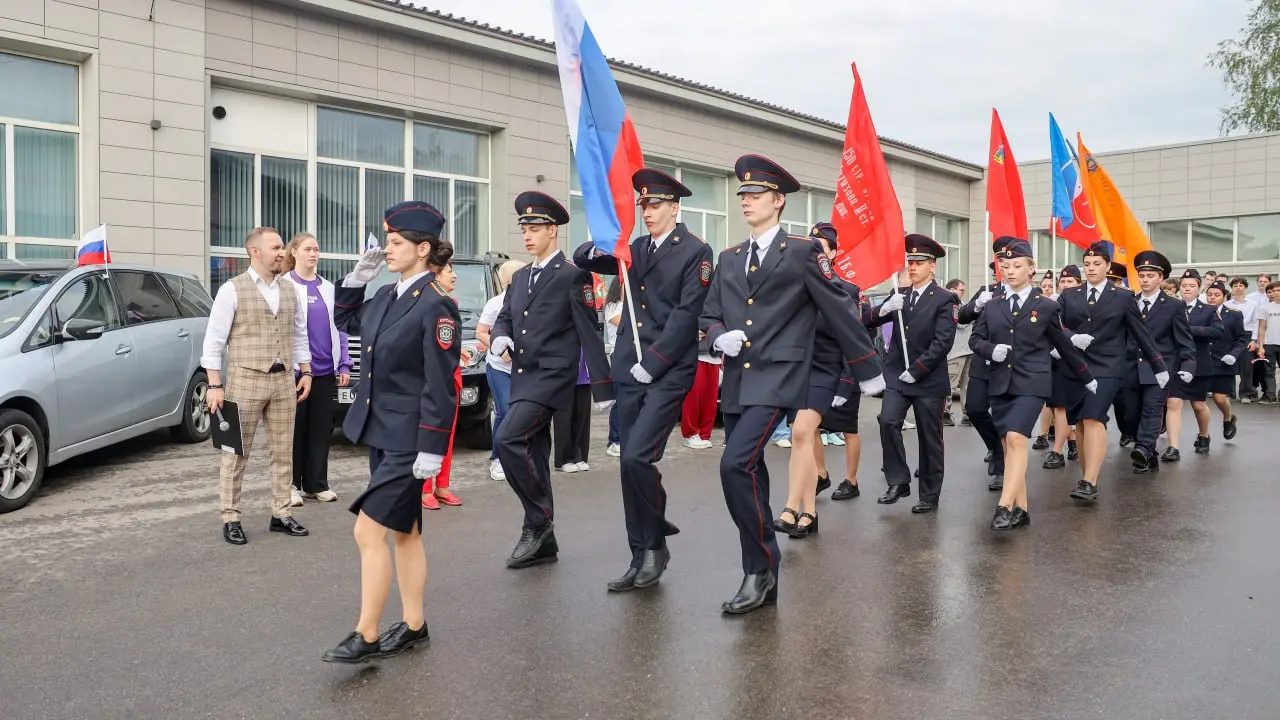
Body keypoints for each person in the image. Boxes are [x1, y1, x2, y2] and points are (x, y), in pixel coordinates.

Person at [700, 154, 884, 614]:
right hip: (739, 378)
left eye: (756, 195)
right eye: (743, 195)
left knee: (733, 465)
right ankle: (763, 575)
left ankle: (760, 567)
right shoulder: (729, 257)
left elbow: (840, 309)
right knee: (750, 471)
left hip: (781, 377)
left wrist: (867, 369)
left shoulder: (802, 252)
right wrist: (718, 335)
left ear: (778, 201)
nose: (747, 202)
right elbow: (709, 314)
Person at [322, 201, 459, 664]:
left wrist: (433, 447)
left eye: (396, 243)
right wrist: (357, 279)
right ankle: (416, 626)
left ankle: (367, 633)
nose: (388, 250)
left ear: (424, 249)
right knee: (405, 533)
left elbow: (441, 386)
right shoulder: (385, 296)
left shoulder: (436, 308)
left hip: (410, 441)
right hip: (382, 432)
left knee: (367, 531)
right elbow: (345, 320)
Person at [575, 167, 714, 592]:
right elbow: (587, 258)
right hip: (630, 370)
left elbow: (686, 314)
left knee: (637, 457)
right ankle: (640, 553)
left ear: (674, 208)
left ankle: (655, 545)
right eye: (643, 205)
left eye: (654, 205)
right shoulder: (632, 248)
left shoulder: (696, 251)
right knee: (626, 465)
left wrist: (653, 362)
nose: (647, 211)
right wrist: (602, 232)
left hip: (667, 370)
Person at [490, 192, 613, 569]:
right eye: (524, 229)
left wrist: (602, 386)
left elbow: (589, 329)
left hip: (554, 377)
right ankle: (543, 538)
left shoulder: (574, 275)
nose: (528, 235)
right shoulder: (522, 275)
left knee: (508, 438)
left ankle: (539, 522)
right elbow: (507, 316)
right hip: (523, 374)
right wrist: (500, 335)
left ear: (553, 231)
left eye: (536, 228)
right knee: (535, 453)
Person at [971, 239, 1095, 529]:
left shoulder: (1046, 306)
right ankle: (1022, 509)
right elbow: (976, 339)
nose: (1010, 271)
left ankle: (1004, 506)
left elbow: (1062, 344)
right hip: (1001, 383)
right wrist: (991, 351)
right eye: (1005, 267)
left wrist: (1086, 376)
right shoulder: (993, 306)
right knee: (1007, 445)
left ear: (1031, 269)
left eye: (1017, 266)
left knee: (1016, 438)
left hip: (1033, 381)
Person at [202, 226, 312, 546]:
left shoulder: (290, 289)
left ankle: (280, 513)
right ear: (255, 252)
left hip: (283, 381)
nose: (283, 252)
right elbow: (214, 342)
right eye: (277, 247)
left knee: (283, 452)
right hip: (245, 379)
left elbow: (299, 335)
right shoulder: (231, 290)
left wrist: (305, 372)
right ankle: (231, 517)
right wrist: (214, 386)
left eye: (283, 247)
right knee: (235, 452)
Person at [775, 223, 877, 539]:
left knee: (804, 431)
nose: (816, 249)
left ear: (832, 254)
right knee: (802, 437)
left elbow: (852, 337)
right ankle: (809, 512)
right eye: (812, 244)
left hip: (825, 370)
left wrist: (849, 383)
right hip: (796, 372)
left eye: (823, 246)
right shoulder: (792, 288)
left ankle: (792, 504)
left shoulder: (845, 290)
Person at [1057, 241, 1167, 502]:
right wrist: (1071, 337)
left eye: (1097, 264)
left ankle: (1089, 480)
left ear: (1108, 266)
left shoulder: (1123, 297)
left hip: (1108, 366)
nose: (1091, 268)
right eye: (1087, 264)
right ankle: (1087, 475)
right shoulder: (1070, 295)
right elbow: (1055, 323)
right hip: (1075, 365)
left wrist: (1159, 365)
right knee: (1081, 421)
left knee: (1094, 417)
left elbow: (1141, 333)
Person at [869, 234, 959, 512]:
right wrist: (882, 309)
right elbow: (866, 320)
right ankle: (898, 480)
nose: (912, 267)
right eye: (910, 262)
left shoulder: (946, 299)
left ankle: (929, 494)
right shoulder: (899, 295)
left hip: (928, 378)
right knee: (887, 420)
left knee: (929, 437)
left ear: (932, 266)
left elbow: (943, 341)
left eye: (919, 262)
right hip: (898, 374)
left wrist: (918, 370)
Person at [283, 232, 352, 506]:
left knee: (321, 429)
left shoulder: (328, 288)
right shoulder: (285, 285)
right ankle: (290, 484)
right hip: (296, 372)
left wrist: (344, 362)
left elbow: (341, 328)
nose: (313, 254)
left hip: (324, 371)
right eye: (308, 249)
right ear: (294, 253)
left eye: (316, 249)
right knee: (293, 430)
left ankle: (316, 484)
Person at [1115, 251, 1194, 474]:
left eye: (1150, 275)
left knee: (1152, 409)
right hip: (1130, 368)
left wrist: (1188, 365)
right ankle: (1149, 452)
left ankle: (1143, 449)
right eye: (1142, 275)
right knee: (1129, 414)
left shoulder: (1174, 306)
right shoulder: (1128, 302)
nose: (1145, 279)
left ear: (1161, 279)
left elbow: (1184, 340)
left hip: (1160, 368)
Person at [959, 253, 1012, 489]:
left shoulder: (1027, 294)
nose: (1005, 268)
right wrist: (978, 304)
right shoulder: (987, 290)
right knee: (974, 408)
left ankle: (1001, 467)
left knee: (1003, 415)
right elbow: (962, 317)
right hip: (984, 360)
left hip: (1010, 364)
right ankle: (995, 445)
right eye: (1002, 265)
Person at [1165, 269, 1223, 458]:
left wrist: (1190, 330)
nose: (1187, 289)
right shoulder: (1171, 306)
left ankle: (1204, 434)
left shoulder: (1209, 310)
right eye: (1184, 285)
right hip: (1176, 362)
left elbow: (1217, 331)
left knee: (1198, 405)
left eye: (1192, 286)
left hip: (1199, 362)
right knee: (1174, 402)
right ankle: (1173, 447)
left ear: (1199, 289)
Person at [476, 259, 525, 481]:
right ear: (507, 280)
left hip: (525, 369)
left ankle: (519, 457)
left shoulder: (531, 302)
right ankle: (497, 459)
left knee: (522, 413)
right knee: (504, 411)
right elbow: (481, 332)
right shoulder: (495, 304)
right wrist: (499, 348)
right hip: (499, 367)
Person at [421, 262, 464, 510]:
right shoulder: (426, 304)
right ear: (435, 274)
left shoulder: (453, 304)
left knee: (447, 435)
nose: (454, 275)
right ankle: (424, 487)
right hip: (429, 379)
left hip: (451, 377)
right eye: (450, 271)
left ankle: (442, 485)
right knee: (430, 433)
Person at [1043, 266, 1083, 469]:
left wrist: (1069, 343)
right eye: (1063, 282)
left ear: (1079, 284)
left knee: (1077, 409)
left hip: (1080, 360)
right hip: (1059, 361)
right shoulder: (1053, 303)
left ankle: (1073, 442)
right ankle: (1058, 450)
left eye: (1071, 282)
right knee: (1060, 407)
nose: (1066, 285)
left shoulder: (1085, 302)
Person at [1205, 280, 1247, 441]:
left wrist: (1233, 354)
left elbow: (1241, 338)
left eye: (1216, 295)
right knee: (1199, 402)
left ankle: (1228, 418)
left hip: (1223, 361)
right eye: (1209, 295)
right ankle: (1203, 435)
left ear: (1224, 296)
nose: (1212, 298)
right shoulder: (1201, 312)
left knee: (1219, 398)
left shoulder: (1234, 314)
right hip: (1204, 361)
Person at [552, 352, 593, 472]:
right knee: (563, 417)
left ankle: (580, 455)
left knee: (582, 416)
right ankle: (564, 458)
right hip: (563, 369)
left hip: (585, 370)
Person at [1225, 276, 1261, 402]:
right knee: (1228, 364)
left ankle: (1246, 393)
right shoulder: (1226, 305)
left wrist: (1254, 340)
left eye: (1241, 285)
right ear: (1231, 289)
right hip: (1230, 335)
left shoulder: (1253, 304)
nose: (1238, 288)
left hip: (1247, 335)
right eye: (1235, 286)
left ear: (1245, 287)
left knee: (1246, 366)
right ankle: (1229, 393)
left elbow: (1256, 323)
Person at [944, 278, 972, 427]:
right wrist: (971, 315)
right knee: (950, 384)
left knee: (966, 385)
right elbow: (961, 322)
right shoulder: (948, 305)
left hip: (967, 350)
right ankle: (945, 412)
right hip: (955, 351)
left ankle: (967, 413)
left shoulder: (963, 305)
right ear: (952, 289)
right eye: (961, 290)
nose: (963, 293)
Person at [603, 278, 625, 456]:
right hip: (619, 354)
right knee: (620, 398)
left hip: (636, 354)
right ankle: (614, 440)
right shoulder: (613, 306)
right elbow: (624, 324)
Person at [1253, 281, 1280, 403]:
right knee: (1269, 371)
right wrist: (1261, 346)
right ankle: (1271, 395)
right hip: (1269, 344)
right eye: (1273, 291)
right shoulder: (1265, 308)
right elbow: (1262, 327)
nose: (1275, 293)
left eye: (1278, 290)